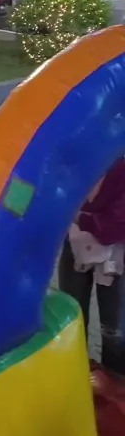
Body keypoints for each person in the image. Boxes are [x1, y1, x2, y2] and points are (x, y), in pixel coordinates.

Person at [59, 159, 125, 376]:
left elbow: (115, 227)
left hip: (114, 252)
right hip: (76, 241)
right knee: (72, 318)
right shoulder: (77, 159)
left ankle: (115, 381)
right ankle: (75, 374)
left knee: (112, 328)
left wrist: (79, 217)